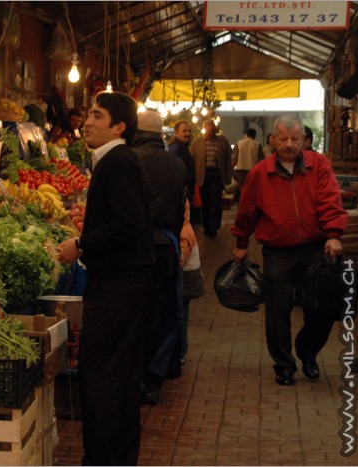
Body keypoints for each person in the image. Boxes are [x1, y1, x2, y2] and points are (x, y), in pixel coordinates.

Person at [56, 91, 153, 466]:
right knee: (120, 376)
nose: (88, 122)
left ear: (119, 126)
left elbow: (129, 225)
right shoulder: (117, 161)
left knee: (102, 376)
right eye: (89, 114)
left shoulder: (117, 162)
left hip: (118, 287)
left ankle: (102, 458)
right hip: (124, 284)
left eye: (97, 115)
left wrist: (80, 243)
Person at [231, 115, 348, 386]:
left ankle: (307, 352)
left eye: (295, 139)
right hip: (278, 251)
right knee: (277, 310)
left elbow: (331, 199)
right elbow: (246, 211)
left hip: (315, 248)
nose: (289, 144)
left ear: (304, 140)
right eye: (283, 139)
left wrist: (333, 235)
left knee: (321, 306)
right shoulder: (260, 172)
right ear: (272, 140)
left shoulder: (319, 165)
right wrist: (240, 244)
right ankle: (283, 364)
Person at [130, 109, 186, 405]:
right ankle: (152, 379)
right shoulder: (176, 164)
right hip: (165, 245)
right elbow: (179, 209)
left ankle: (132, 376)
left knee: (133, 312)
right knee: (159, 313)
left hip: (133, 246)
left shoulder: (128, 160)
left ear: (135, 133)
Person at [190, 119, 232, 238]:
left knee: (215, 201)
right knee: (205, 201)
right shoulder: (197, 142)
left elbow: (228, 160)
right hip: (203, 175)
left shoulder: (222, 141)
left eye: (211, 131)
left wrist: (228, 177)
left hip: (216, 174)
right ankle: (207, 226)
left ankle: (214, 225)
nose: (209, 133)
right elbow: (192, 159)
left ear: (215, 131)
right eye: (207, 131)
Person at [179, 199, 205, 363]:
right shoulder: (186, 228)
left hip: (186, 280)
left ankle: (181, 351)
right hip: (189, 279)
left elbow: (181, 258)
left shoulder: (184, 232)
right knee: (182, 315)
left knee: (181, 316)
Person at [168, 120, 196, 215]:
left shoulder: (183, 147)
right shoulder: (175, 148)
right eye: (184, 131)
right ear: (176, 133)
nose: (188, 133)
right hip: (180, 195)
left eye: (189, 131)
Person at [232, 128, 264, 202]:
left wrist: (231, 169)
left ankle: (240, 207)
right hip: (253, 170)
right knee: (251, 191)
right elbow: (261, 160)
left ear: (247, 134)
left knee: (241, 190)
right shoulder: (257, 144)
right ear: (254, 135)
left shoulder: (239, 143)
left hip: (240, 170)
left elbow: (234, 158)